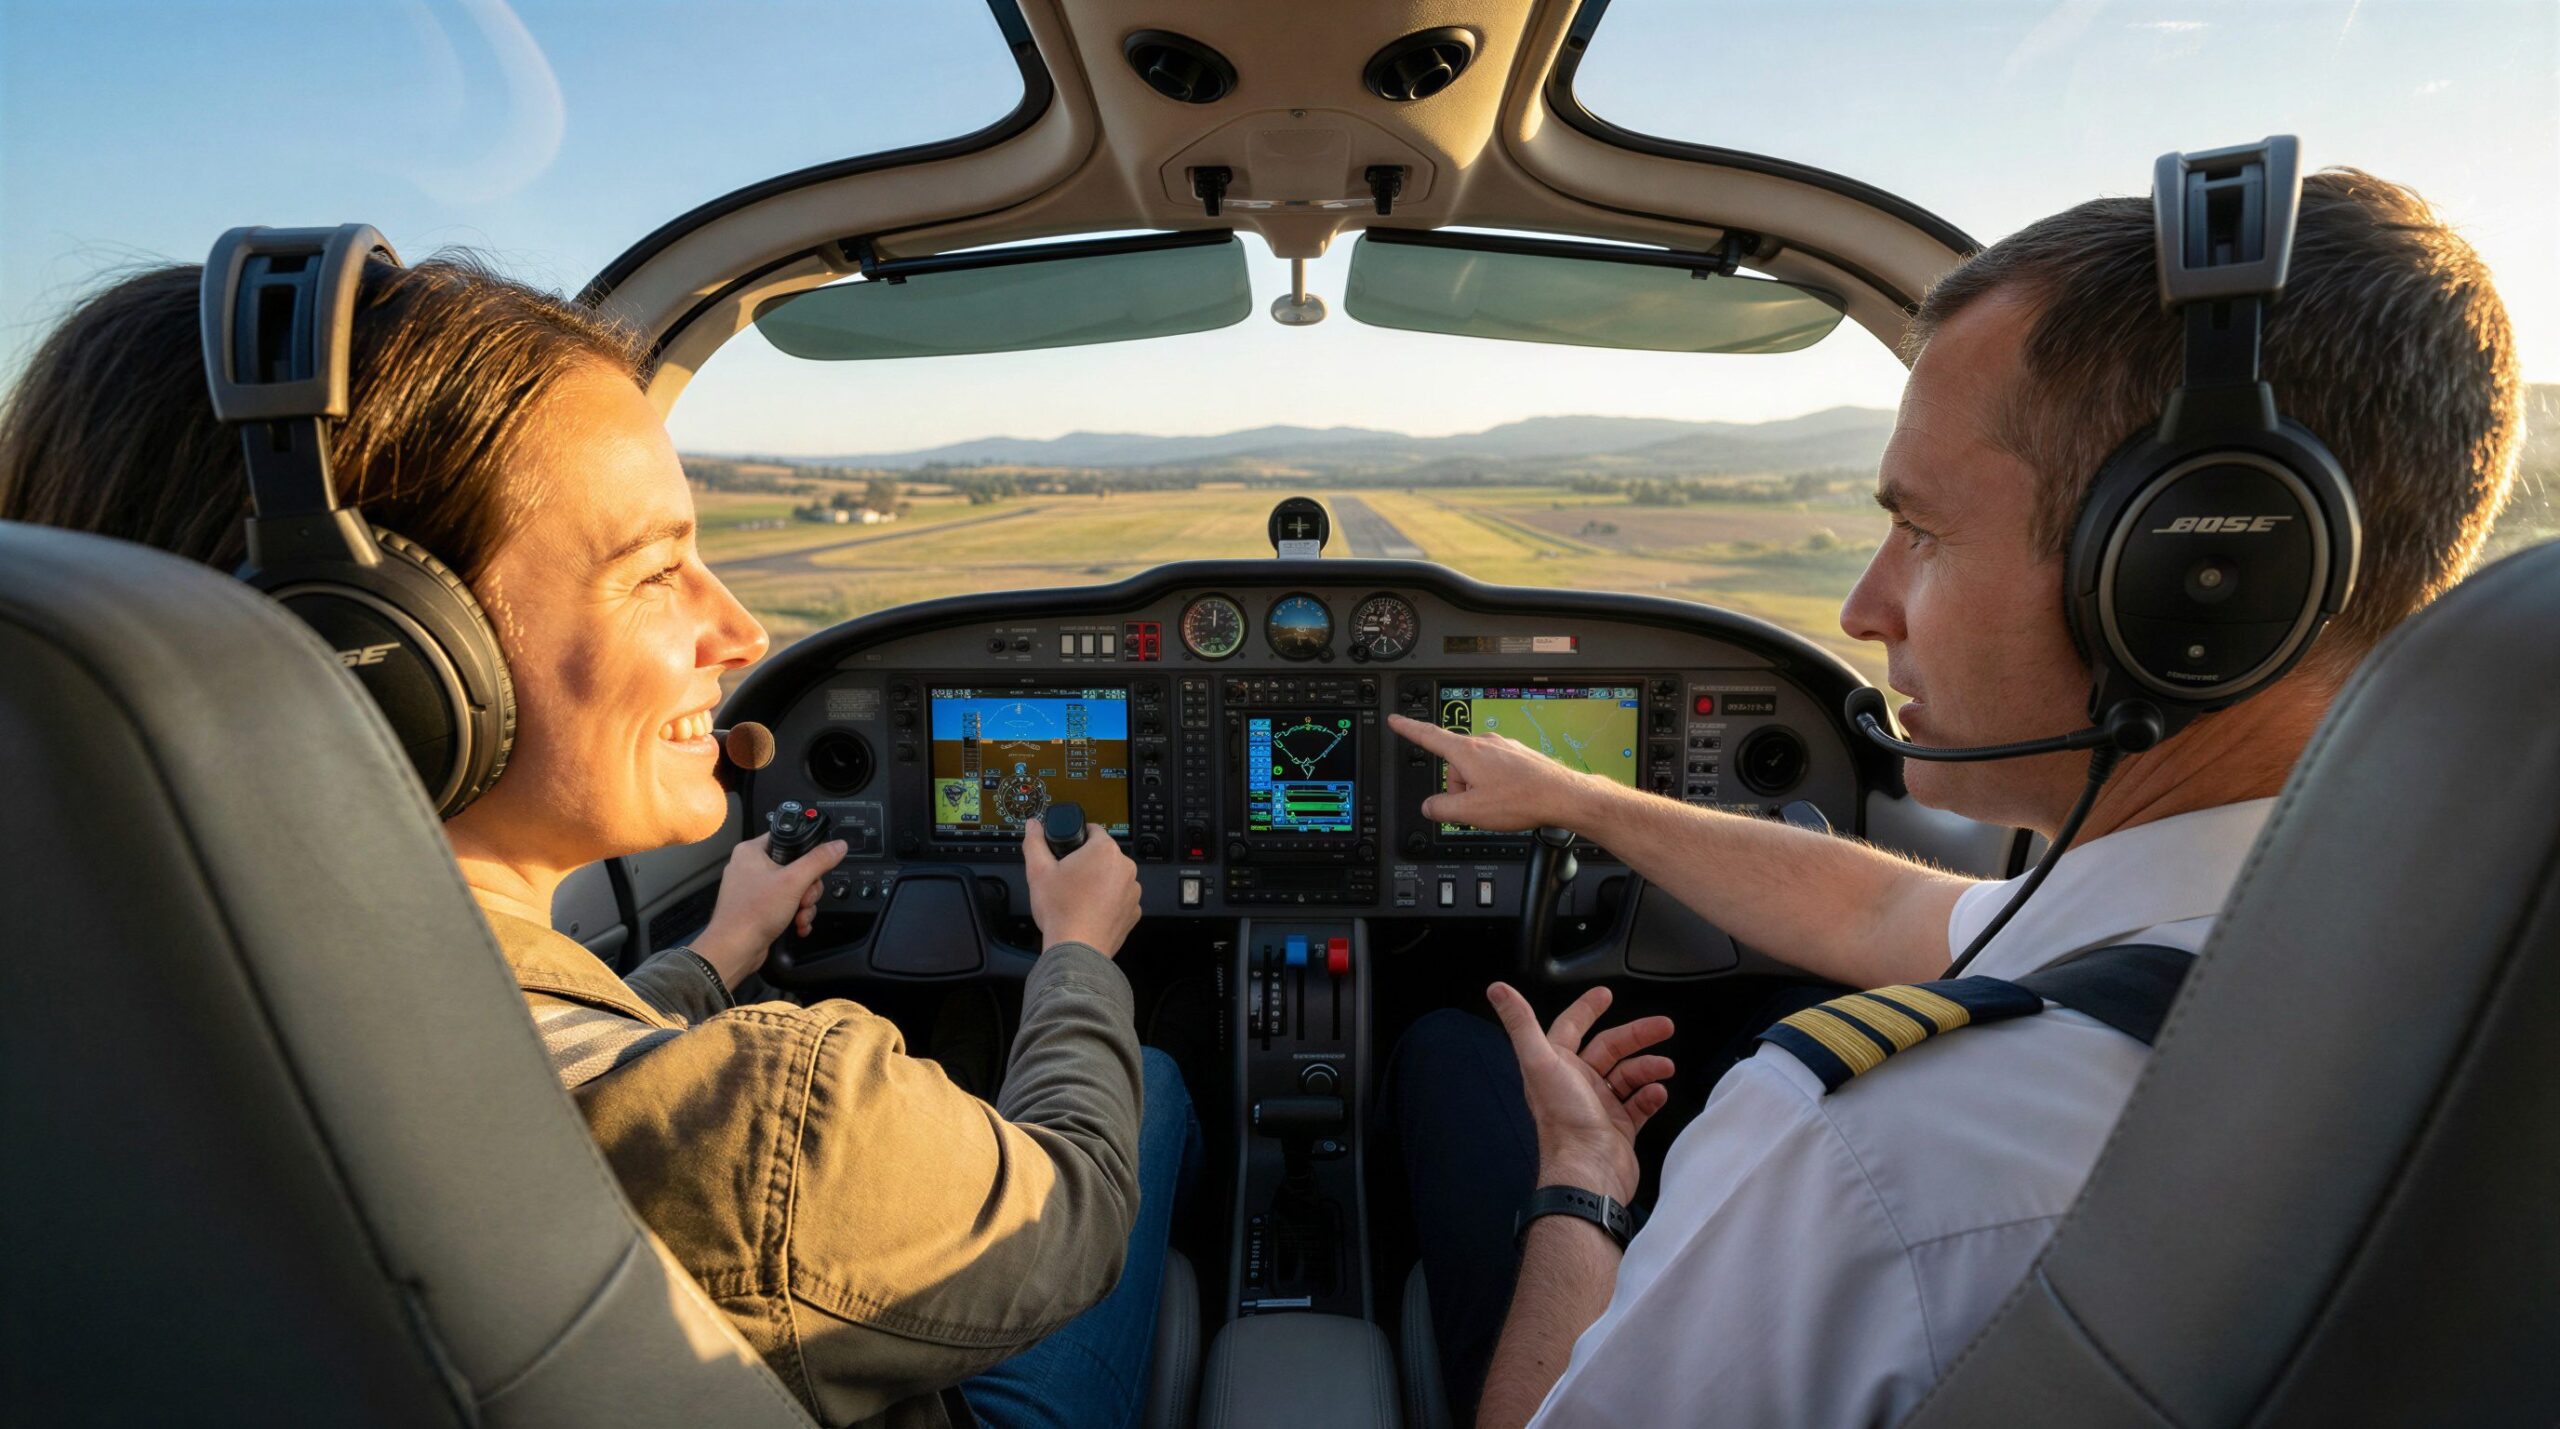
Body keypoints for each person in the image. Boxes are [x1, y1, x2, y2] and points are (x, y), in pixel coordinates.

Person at [1386, 167, 2522, 1427]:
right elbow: (1893, 917)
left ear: (2185, 578)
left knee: (1446, 1060)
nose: (1862, 608)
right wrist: (1580, 796)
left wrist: (1585, 1180)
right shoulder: (2412, 971)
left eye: (1920, 531)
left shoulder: (1878, 1154)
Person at [0, 254, 1196, 1429]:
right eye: (657, 570)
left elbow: (547, 1065)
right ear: (383, 658)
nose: (739, 630)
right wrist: (1078, 954)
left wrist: (716, 952)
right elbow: (1074, 1214)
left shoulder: (103, 1066)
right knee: (1145, 1093)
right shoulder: (776, 1121)